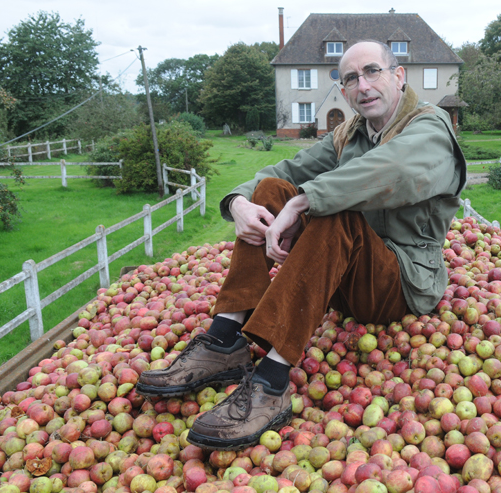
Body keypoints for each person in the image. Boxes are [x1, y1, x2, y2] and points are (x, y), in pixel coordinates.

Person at [136, 40, 467, 450]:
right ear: (344, 90)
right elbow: (283, 171)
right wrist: (238, 202)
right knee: (273, 189)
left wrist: (305, 200)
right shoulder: (350, 135)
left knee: (335, 209)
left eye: (372, 72)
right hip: (340, 279)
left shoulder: (430, 127)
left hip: (401, 285)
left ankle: (272, 385)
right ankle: (224, 341)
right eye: (350, 78)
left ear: (398, 76)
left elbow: (392, 169)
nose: (362, 85)